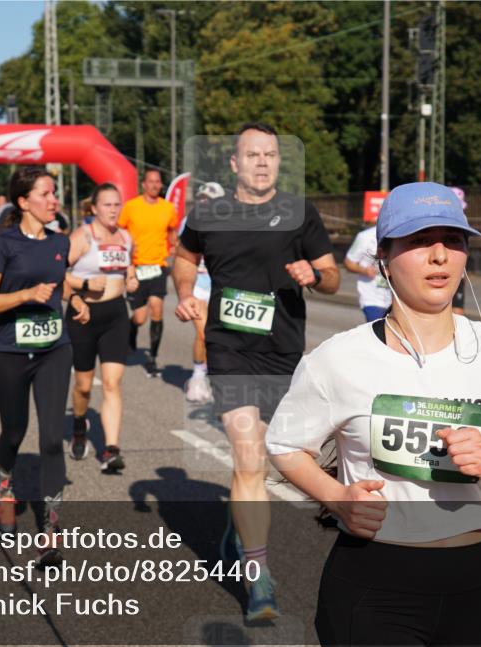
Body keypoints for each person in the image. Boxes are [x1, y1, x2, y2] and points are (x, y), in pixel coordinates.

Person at [267, 182, 481, 647]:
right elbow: (284, 444)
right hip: (372, 588)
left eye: (453, 240)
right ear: (383, 257)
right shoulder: (339, 358)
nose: (439, 256)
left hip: (476, 591)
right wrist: (337, 498)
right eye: (418, 240)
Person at [174, 123, 341, 620]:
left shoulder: (298, 213)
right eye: (253, 155)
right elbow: (185, 257)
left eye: (270, 154)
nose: (263, 162)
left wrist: (316, 275)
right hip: (229, 350)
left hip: (283, 351)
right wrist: (186, 294)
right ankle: (259, 578)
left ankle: (236, 528)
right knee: (249, 460)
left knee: (267, 459)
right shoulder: (209, 213)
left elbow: (332, 275)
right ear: (235, 164)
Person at [0, 166, 90, 566]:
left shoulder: (59, 242)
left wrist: (73, 301)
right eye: (46, 193)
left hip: (54, 350)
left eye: (54, 193)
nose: (54, 199)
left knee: (50, 440)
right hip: (8, 353)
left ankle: (50, 531)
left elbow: (60, 282)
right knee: (14, 431)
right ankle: (6, 486)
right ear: (24, 202)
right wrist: (26, 294)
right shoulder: (1, 244)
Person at [65, 183, 138, 471]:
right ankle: (79, 426)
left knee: (112, 383)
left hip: (116, 314)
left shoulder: (125, 237)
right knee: (83, 386)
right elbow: (57, 273)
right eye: (107, 205)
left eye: (117, 204)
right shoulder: (83, 237)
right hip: (83, 314)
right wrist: (83, 284)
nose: (113, 210)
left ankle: (111, 449)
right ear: (94, 208)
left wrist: (131, 280)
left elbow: (128, 269)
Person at [119, 167, 178, 377]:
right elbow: (120, 231)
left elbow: (172, 232)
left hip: (158, 266)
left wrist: (176, 251)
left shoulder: (168, 208)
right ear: (143, 184)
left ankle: (152, 357)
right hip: (136, 266)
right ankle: (130, 332)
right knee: (140, 317)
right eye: (150, 182)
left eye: (157, 182)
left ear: (161, 185)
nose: (154, 185)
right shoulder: (131, 207)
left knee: (157, 307)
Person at [179, 181, 226, 403]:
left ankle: (214, 377)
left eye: (211, 200)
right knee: (204, 333)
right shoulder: (189, 222)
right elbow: (182, 254)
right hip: (198, 285)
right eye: (203, 198)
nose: (205, 203)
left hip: (219, 287)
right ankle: (197, 377)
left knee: (221, 337)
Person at [344, 219, 391, 322]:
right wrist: (364, 270)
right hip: (371, 298)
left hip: (394, 299)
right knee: (380, 333)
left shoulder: (400, 236)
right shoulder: (365, 237)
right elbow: (348, 263)